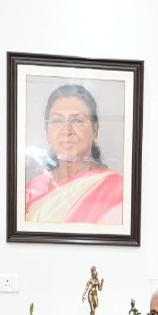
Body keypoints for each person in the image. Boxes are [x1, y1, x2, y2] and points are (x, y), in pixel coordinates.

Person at [25, 84, 124, 225]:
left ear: (95, 130)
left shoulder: (118, 189)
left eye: (77, 120)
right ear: (47, 132)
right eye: (57, 120)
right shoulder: (33, 188)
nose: (66, 130)